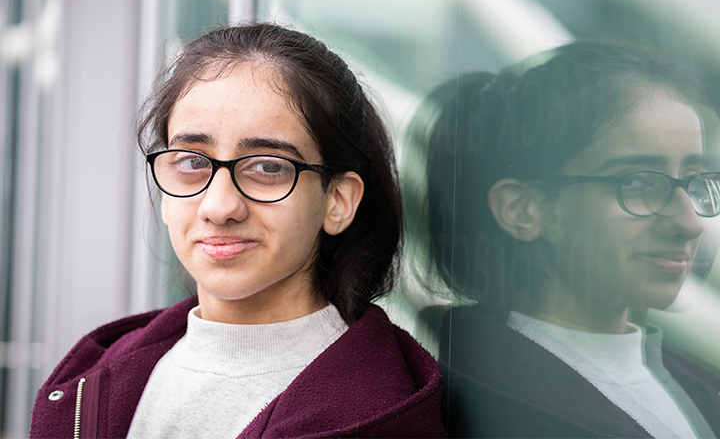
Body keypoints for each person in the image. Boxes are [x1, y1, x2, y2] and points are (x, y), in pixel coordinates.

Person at [30, 23, 446, 438]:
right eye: (192, 163)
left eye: (268, 167)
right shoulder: (98, 376)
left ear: (337, 201)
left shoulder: (377, 414)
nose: (219, 207)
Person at [409, 41, 720, 437]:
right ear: (525, 210)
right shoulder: (474, 409)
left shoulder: (697, 386)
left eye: (694, 182)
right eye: (640, 182)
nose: (689, 223)